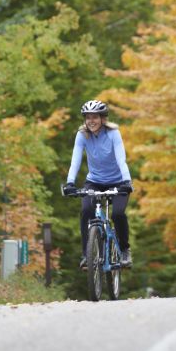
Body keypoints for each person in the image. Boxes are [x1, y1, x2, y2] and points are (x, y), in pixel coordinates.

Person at [63, 100, 134, 269]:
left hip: (118, 181)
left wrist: (127, 181)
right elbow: (75, 161)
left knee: (117, 215)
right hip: (94, 182)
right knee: (86, 210)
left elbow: (121, 159)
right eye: (88, 117)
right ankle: (86, 255)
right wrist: (70, 183)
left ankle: (124, 250)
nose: (91, 121)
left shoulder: (113, 133)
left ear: (103, 118)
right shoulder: (82, 135)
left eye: (95, 117)